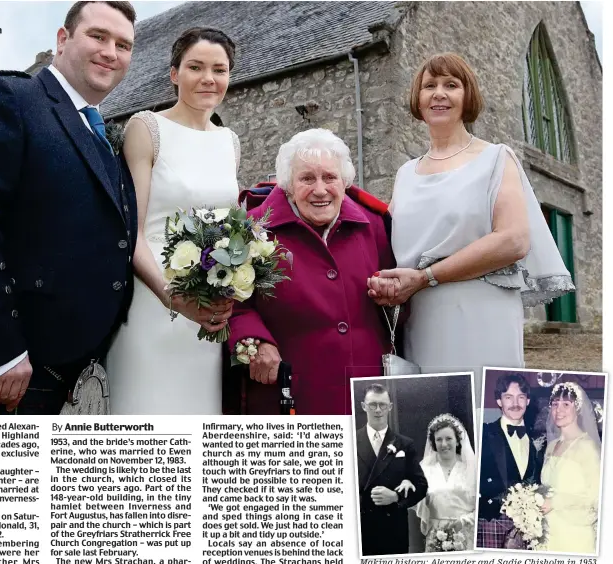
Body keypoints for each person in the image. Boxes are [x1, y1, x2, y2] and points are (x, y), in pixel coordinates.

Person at [0, 2, 137, 415]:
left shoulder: (101, 134)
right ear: (62, 39)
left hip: (68, 368)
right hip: (3, 370)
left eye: (123, 45)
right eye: (98, 36)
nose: (111, 52)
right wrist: (0, 351)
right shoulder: (10, 97)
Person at [368, 53, 575, 380]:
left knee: (486, 415)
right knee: (434, 419)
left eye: (451, 85)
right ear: (417, 100)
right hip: (423, 320)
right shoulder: (405, 173)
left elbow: (513, 240)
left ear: (467, 97)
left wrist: (425, 277)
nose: (439, 93)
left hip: (483, 313)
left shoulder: (495, 158)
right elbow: (381, 243)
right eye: (429, 86)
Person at [106, 27, 239, 414]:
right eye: (195, 67)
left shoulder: (229, 141)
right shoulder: (146, 128)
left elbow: (231, 229)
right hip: (152, 305)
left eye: (220, 69)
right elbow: (131, 232)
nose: (208, 79)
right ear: (174, 73)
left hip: (205, 314)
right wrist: (173, 296)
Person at [226, 128, 396, 415]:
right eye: (307, 178)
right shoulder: (251, 228)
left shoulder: (374, 224)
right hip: (288, 388)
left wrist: (392, 293)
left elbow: (397, 297)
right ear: (288, 186)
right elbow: (230, 302)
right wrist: (253, 341)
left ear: (344, 182)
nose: (320, 190)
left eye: (330, 177)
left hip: (366, 392)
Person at [356, 384, 428, 556]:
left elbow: (421, 485)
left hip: (393, 530)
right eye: (373, 405)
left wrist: (395, 497)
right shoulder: (349, 440)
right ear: (363, 406)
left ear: (390, 407)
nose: (378, 410)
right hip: (361, 528)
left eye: (382, 405)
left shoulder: (404, 444)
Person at [478, 373, 543, 548]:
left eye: (521, 397)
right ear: (499, 401)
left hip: (530, 528)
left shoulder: (538, 439)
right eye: (508, 397)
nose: (515, 404)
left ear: (528, 401)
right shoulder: (483, 434)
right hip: (493, 522)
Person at [536, 381, 601, 554]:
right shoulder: (551, 446)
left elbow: (595, 497)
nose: (559, 410)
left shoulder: (587, 447)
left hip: (574, 534)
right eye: (555, 404)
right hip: (548, 533)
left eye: (566, 404)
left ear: (578, 408)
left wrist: (555, 502)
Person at [415, 414, 477, 551]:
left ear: (457, 441)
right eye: (439, 439)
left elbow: (481, 508)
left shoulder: (471, 468)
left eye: (449, 438)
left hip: (466, 535)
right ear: (433, 443)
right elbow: (415, 502)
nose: (444, 444)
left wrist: (463, 521)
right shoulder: (424, 469)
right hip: (435, 537)